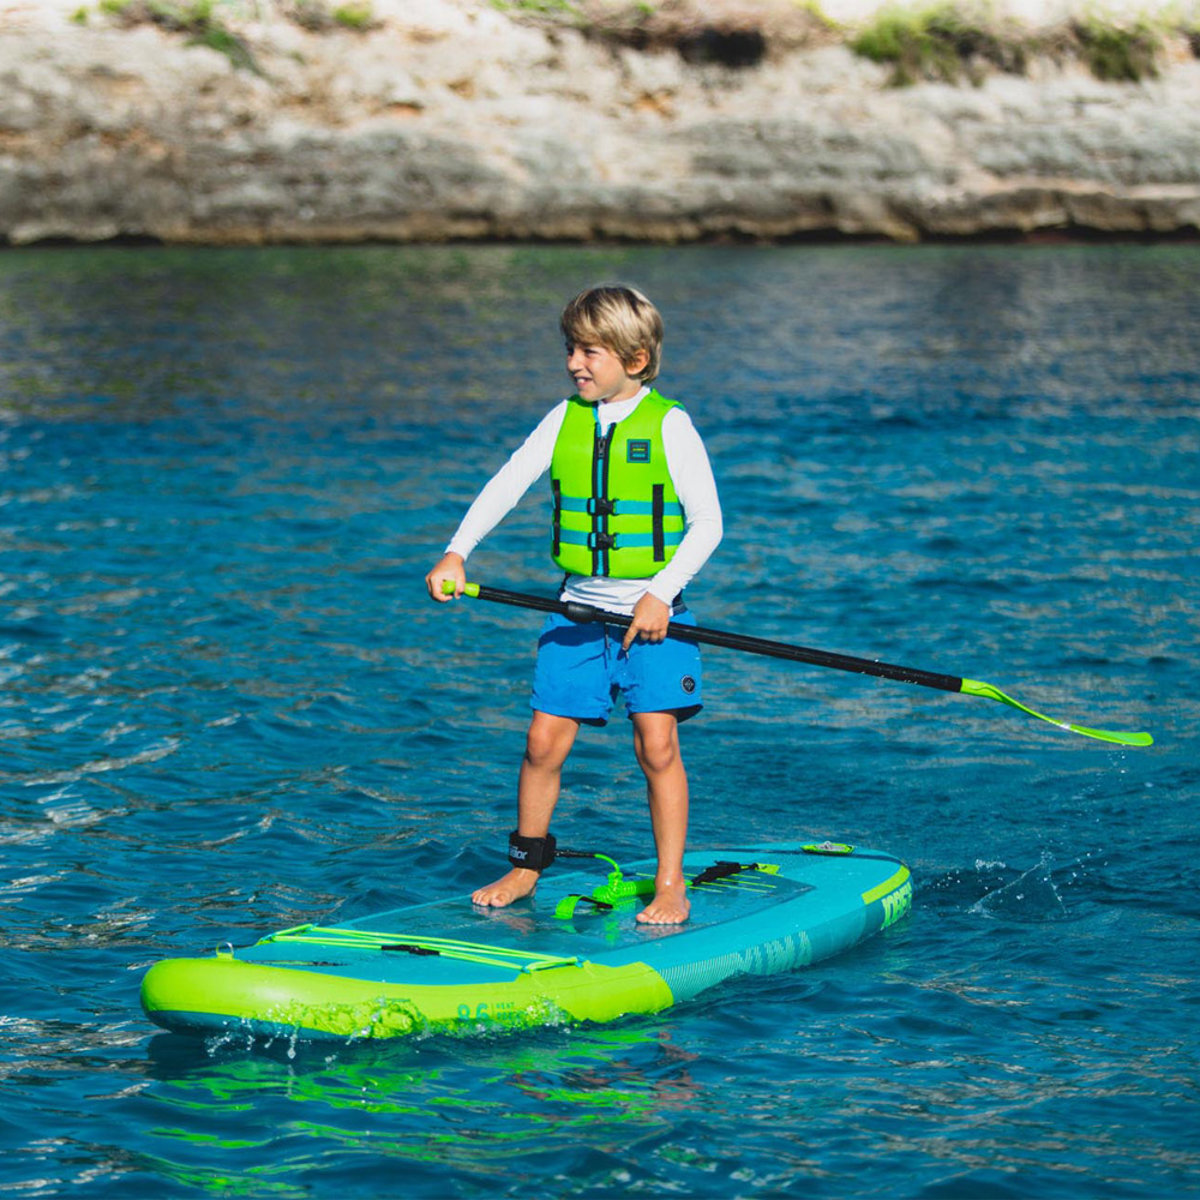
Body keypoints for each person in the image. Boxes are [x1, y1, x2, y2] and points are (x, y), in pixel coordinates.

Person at [425, 285, 722, 925]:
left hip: (653, 619)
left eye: (590, 351)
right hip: (576, 616)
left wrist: (658, 594)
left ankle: (671, 883)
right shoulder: (563, 420)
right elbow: (507, 483)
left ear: (635, 360)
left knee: (657, 746)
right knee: (541, 743)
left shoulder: (670, 424)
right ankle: (527, 866)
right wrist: (457, 551)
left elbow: (708, 524)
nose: (573, 363)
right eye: (570, 348)